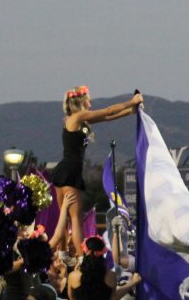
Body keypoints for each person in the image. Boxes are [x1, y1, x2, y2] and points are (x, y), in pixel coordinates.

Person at [52, 86, 143, 254]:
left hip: (64, 171)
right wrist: (132, 101)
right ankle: (82, 258)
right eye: (88, 99)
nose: (90, 102)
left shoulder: (79, 120)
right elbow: (108, 110)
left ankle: (64, 255)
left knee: (65, 218)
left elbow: (108, 116)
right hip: (70, 172)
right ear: (81, 102)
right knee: (75, 219)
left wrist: (130, 111)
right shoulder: (78, 117)